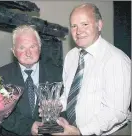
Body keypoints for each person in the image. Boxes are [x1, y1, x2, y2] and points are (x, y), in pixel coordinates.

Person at [32, 3, 131, 135]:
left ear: (99, 25)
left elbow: (116, 112)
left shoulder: (116, 60)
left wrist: (80, 132)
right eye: (74, 26)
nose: (78, 31)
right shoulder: (71, 56)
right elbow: (69, 94)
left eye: (85, 24)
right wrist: (56, 106)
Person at [0, 25, 63, 136]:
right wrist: (29, 126)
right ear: (13, 51)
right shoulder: (0, 76)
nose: (28, 53)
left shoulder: (58, 74)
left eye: (32, 46)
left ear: (40, 48)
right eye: (22, 48)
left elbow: (65, 108)